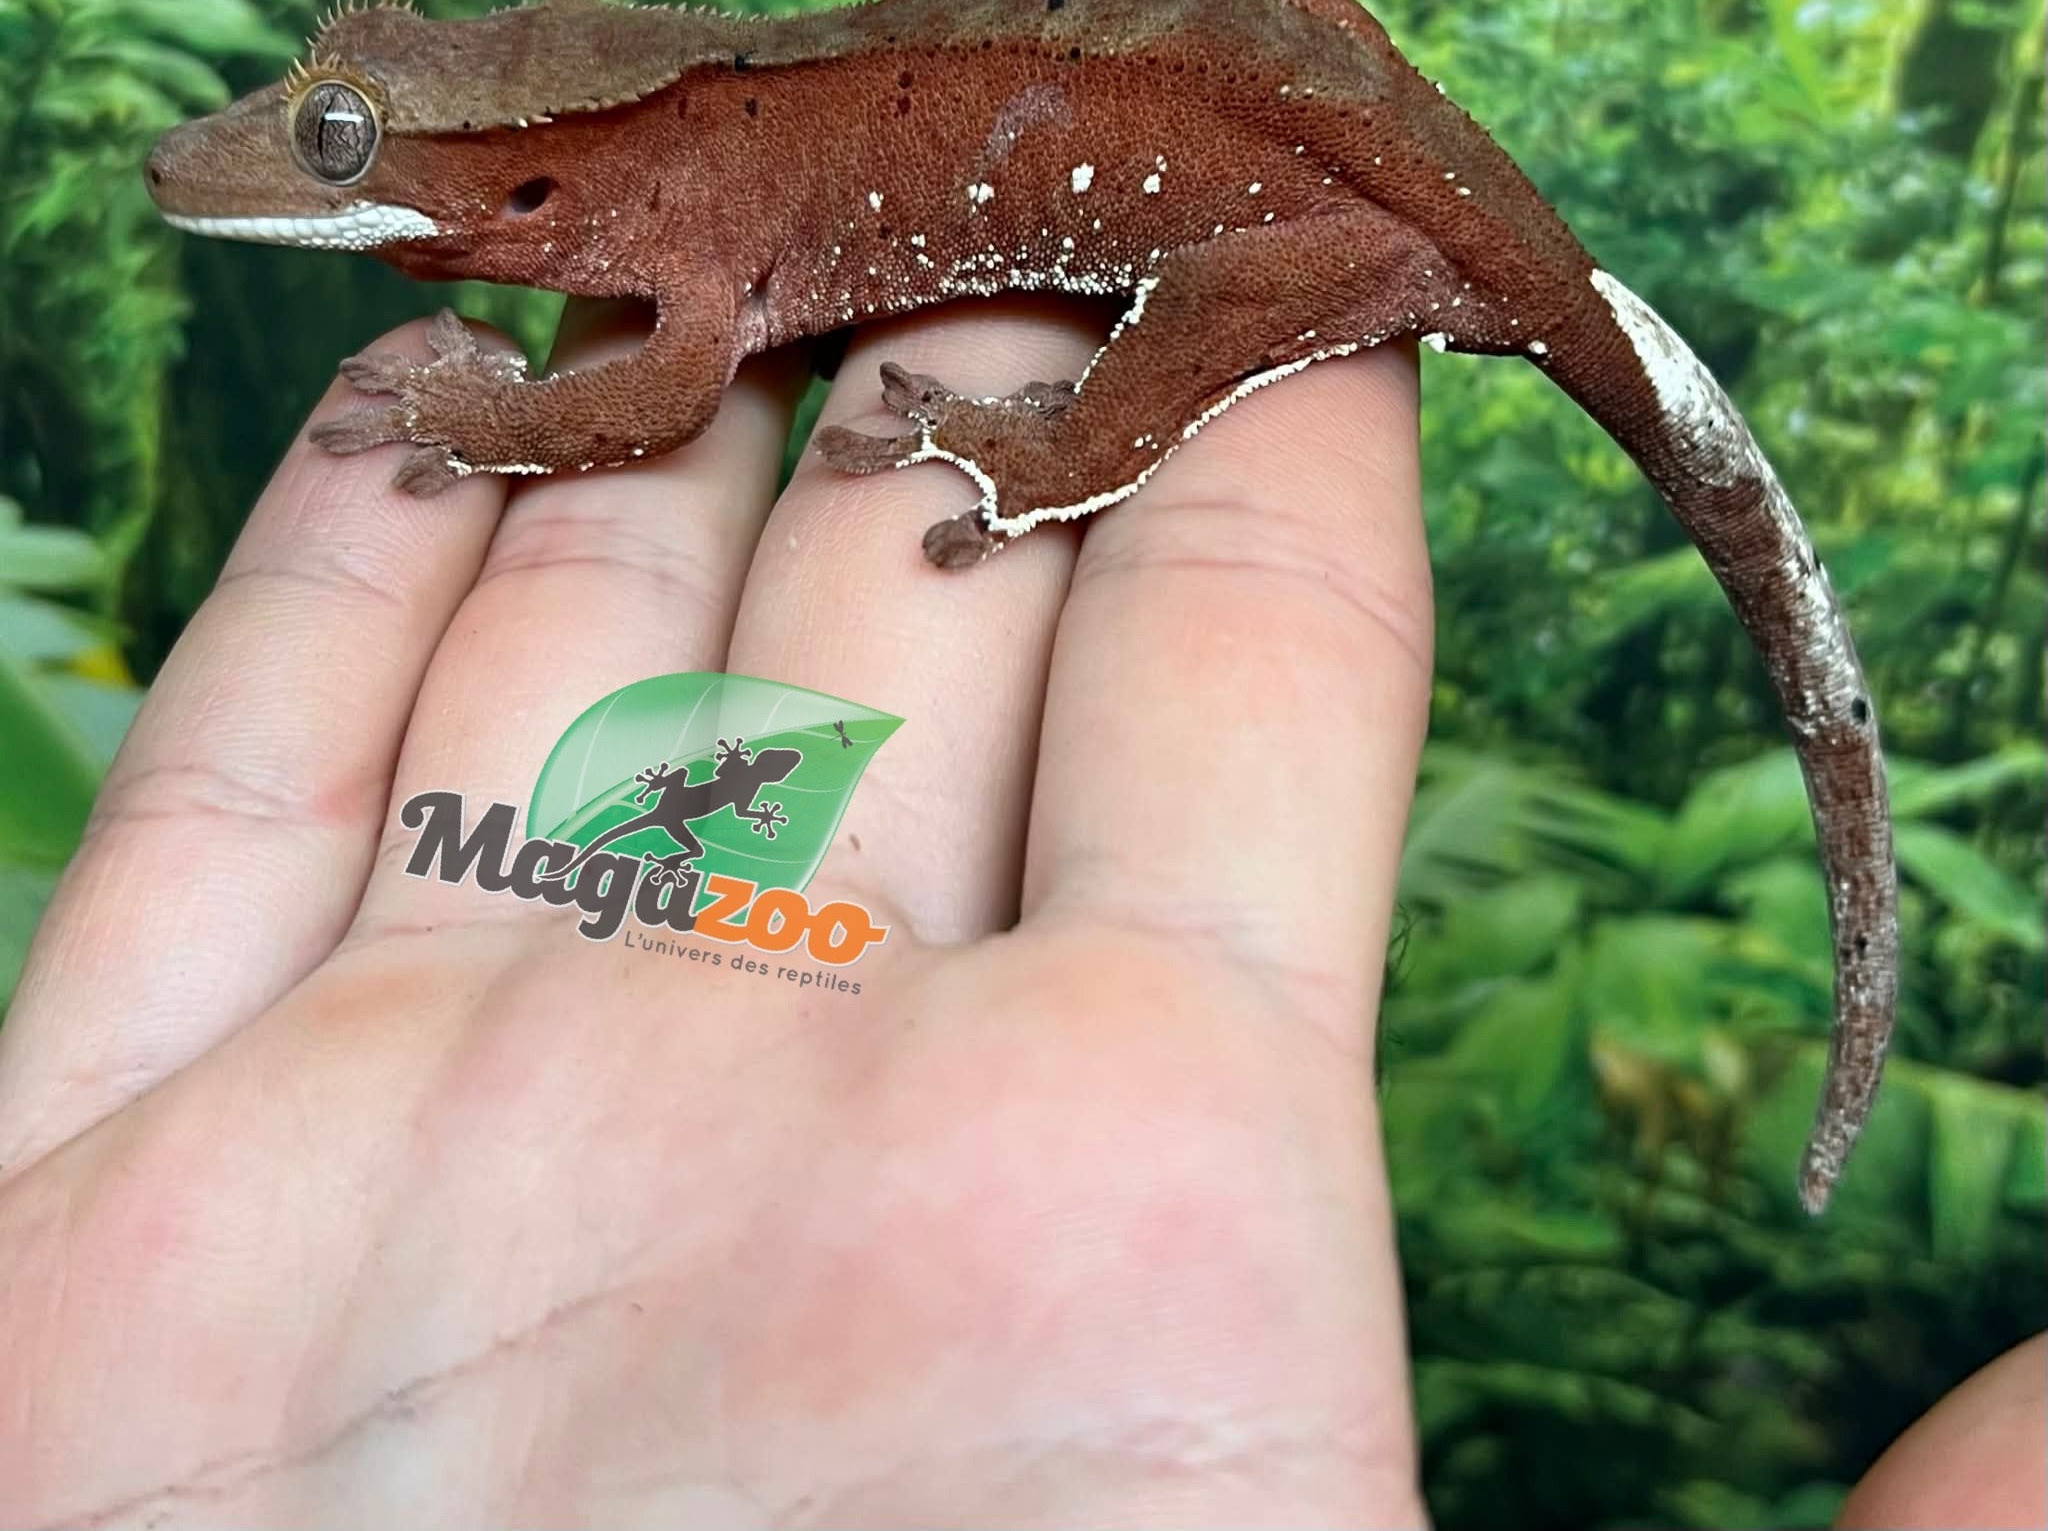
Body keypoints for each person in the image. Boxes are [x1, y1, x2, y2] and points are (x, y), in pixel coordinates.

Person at [0, 301, 2036, 1526]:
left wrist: (489, 419)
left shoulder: (685, 261)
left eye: (353, 148)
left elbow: (643, 395)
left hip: (1295, 210)